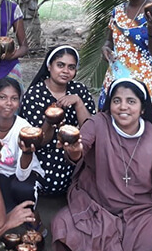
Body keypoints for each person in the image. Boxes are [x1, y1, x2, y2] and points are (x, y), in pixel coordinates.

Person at [51, 78, 152, 251]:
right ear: (109, 104)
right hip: (97, 206)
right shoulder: (98, 123)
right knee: (62, 224)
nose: (123, 107)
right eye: (117, 101)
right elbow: (81, 147)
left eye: (131, 101)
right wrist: (74, 150)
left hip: (140, 211)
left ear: (142, 108)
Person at [19, 45, 96, 195]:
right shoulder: (34, 94)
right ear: (49, 66)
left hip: (73, 155)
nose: (66, 71)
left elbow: (90, 130)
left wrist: (78, 102)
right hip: (44, 157)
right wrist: (50, 119)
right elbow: (37, 142)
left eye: (71, 67)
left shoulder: (80, 91)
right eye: (60, 65)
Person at [0, 77, 44, 212]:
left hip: (22, 174)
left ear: (19, 103)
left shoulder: (24, 128)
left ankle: (32, 219)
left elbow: (22, 176)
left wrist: (27, 152)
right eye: (2, 97)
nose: (8, 103)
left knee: (22, 189)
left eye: (14, 98)